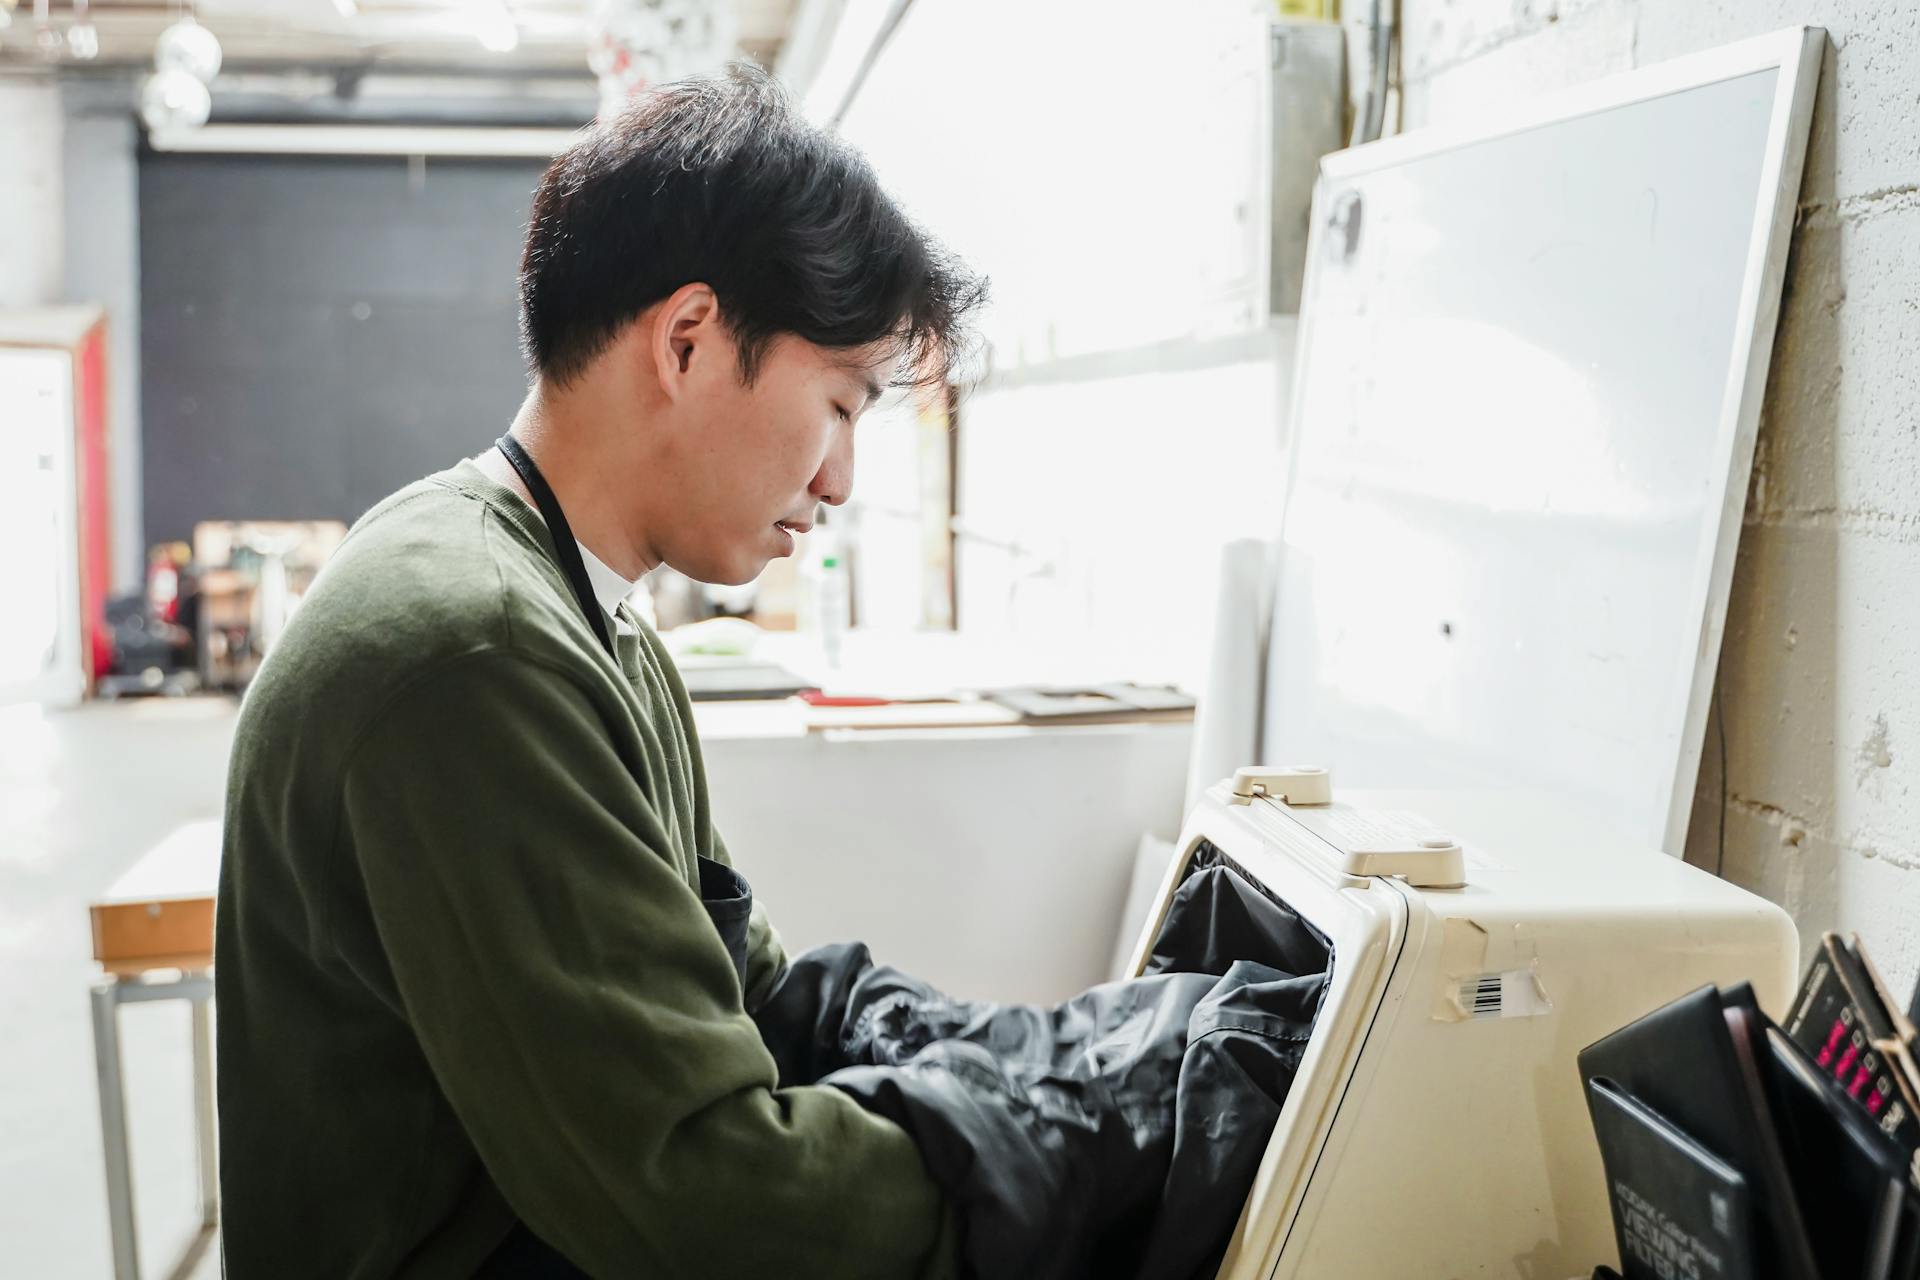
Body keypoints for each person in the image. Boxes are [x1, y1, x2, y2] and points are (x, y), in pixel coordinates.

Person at [214, 63, 985, 1279]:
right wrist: (1036, 1159)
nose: (840, 480)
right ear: (687, 340)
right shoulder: (475, 645)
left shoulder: (590, 617)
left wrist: (986, 1056)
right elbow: (698, 1196)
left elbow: (743, 989)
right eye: (841, 403)